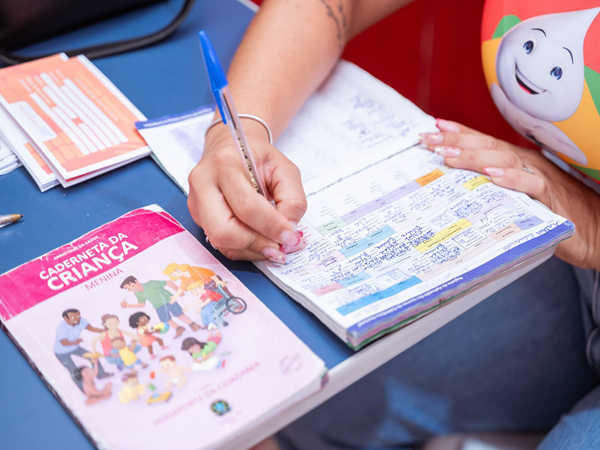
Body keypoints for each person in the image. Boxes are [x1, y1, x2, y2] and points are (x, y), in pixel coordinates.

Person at [187, 1, 600, 449]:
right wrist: (240, 131)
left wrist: (592, 218)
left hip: (582, 235)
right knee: (307, 400)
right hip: (573, 271)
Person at [120, 275, 201, 339]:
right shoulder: (138, 293)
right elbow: (142, 304)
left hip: (168, 300)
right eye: (128, 289)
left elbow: (168, 282)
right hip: (158, 306)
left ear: (136, 281)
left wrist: (178, 291)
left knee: (179, 314)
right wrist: (128, 305)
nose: (131, 289)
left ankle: (193, 324)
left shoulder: (151, 283)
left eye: (131, 285)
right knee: (166, 319)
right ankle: (179, 328)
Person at [54, 309, 112, 388]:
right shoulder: (61, 329)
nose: (77, 318)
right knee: (73, 369)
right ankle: (83, 387)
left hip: (75, 347)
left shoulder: (81, 320)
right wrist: (74, 342)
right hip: (61, 352)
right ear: (66, 318)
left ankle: (101, 374)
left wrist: (105, 331)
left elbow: (91, 328)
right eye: (73, 317)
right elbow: (64, 342)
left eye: (78, 316)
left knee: (92, 357)